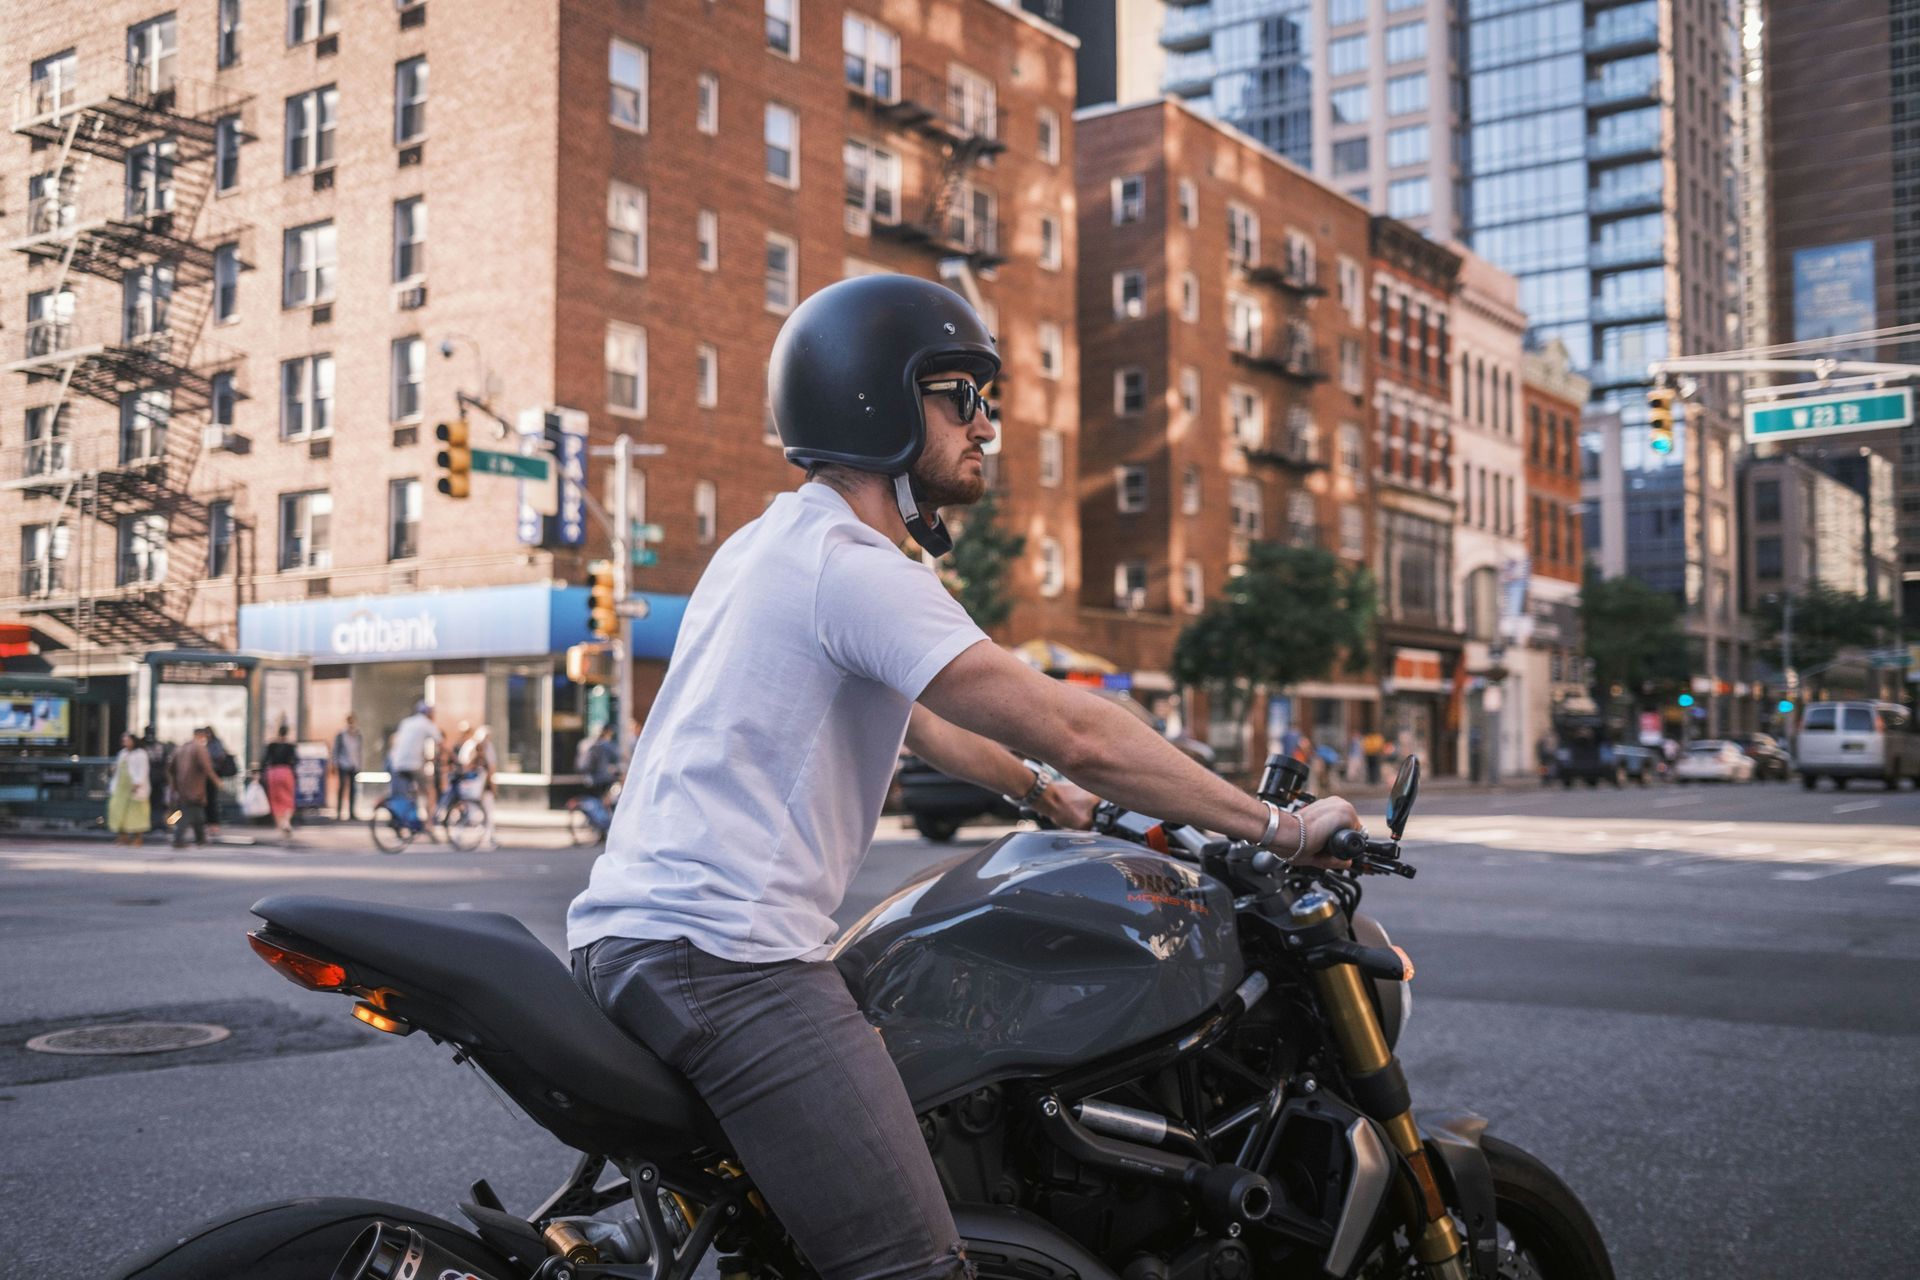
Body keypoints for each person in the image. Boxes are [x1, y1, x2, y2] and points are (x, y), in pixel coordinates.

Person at [566, 275, 1360, 1280]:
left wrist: (1040, 795)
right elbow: (1080, 727)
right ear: (873, 401)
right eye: (958, 394)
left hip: (638, 938)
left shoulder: (769, 546)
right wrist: (1276, 825)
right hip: (727, 960)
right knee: (912, 1264)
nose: (985, 425)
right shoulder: (854, 567)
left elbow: (933, 722)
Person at [168, 727, 216, 848]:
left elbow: (170, 768)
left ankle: (200, 838)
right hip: (195, 788)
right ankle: (179, 839)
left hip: (182, 787)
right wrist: (217, 781)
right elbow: (207, 767)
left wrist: (174, 785)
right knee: (187, 814)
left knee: (197, 815)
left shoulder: (180, 748)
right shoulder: (199, 748)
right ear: (201, 736)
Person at [388, 700, 442, 806]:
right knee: (429, 790)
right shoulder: (426, 723)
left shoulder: (406, 722)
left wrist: (426, 758)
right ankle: (429, 822)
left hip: (397, 763)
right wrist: (452, 758)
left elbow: (408, 745)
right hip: (413, 765)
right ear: (428, 713)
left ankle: (413, 813)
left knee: (408, 791)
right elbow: (441, 743)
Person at [458, 724, 500, 849]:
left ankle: (489, 836)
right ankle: (461, 835)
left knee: (487, 812)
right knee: (473, 814)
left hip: (482, 786)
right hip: (473, 785)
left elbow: (492, 768)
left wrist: (492, 786)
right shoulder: (472, 747)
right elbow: (464, 766)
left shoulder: (487, 748)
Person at [107, 731, 152, 847]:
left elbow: (143, 770)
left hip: (135, 787)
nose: (125, 743)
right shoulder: (122, 753)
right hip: (121, 788)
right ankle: (123, 837)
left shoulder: (141, 754)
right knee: (118, 811)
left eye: (127, 740)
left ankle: (137, 838)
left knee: (136, 813)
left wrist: (138, 784)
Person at [261, 722, 298, 838]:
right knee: (288, 799)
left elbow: (264, 760)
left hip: (273, 772)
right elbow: (295, 761)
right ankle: (286, 822)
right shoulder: (290, 746)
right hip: (286, 772)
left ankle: (281, 825)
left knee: (275, 800)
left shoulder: (271, 745)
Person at [204, 726, 238, 836]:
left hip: (213, 776)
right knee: (208, 801)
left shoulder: (214, 744)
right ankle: (210, 824)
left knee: (211, 801)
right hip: (210, 776)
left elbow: (217, 758)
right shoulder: (210, 744)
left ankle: (213, 825)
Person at [332, 714, 363, 820]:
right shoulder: (341, 734)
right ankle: (339, 812)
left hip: (354, 765)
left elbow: (359, 751)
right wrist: (335, 763)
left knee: (353, 789)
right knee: (342, 788)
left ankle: (352, 812)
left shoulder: (358, 734)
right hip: (343, 764)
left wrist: (359, 764)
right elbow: (336, 749)